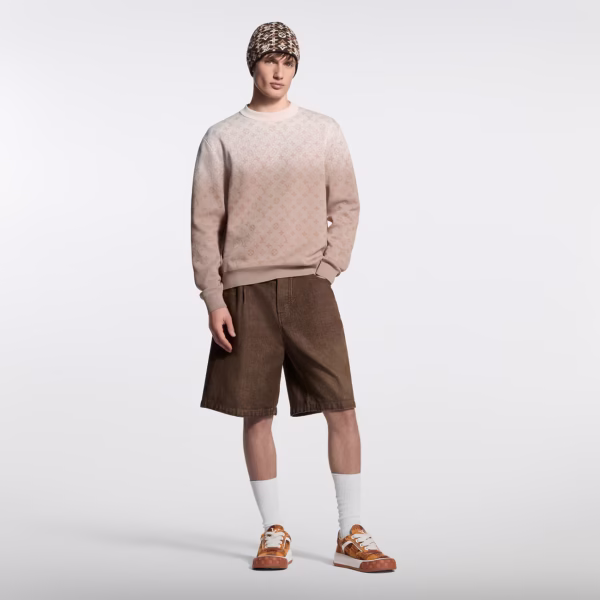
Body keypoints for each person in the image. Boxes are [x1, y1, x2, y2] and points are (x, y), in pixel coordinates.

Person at [190, 21, 396, 573]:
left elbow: (346, 204)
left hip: (309, 287)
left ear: (296, 67)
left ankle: (351, 531)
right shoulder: (222, 137)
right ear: (252, 65)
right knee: (255, 412)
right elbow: (205, 223)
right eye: (269, 60)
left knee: (342, 406)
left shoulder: (323, 131)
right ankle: (272, 530)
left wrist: (327, 270)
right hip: (243, 291)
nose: (278, 71)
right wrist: (213, 297)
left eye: (288, 61)